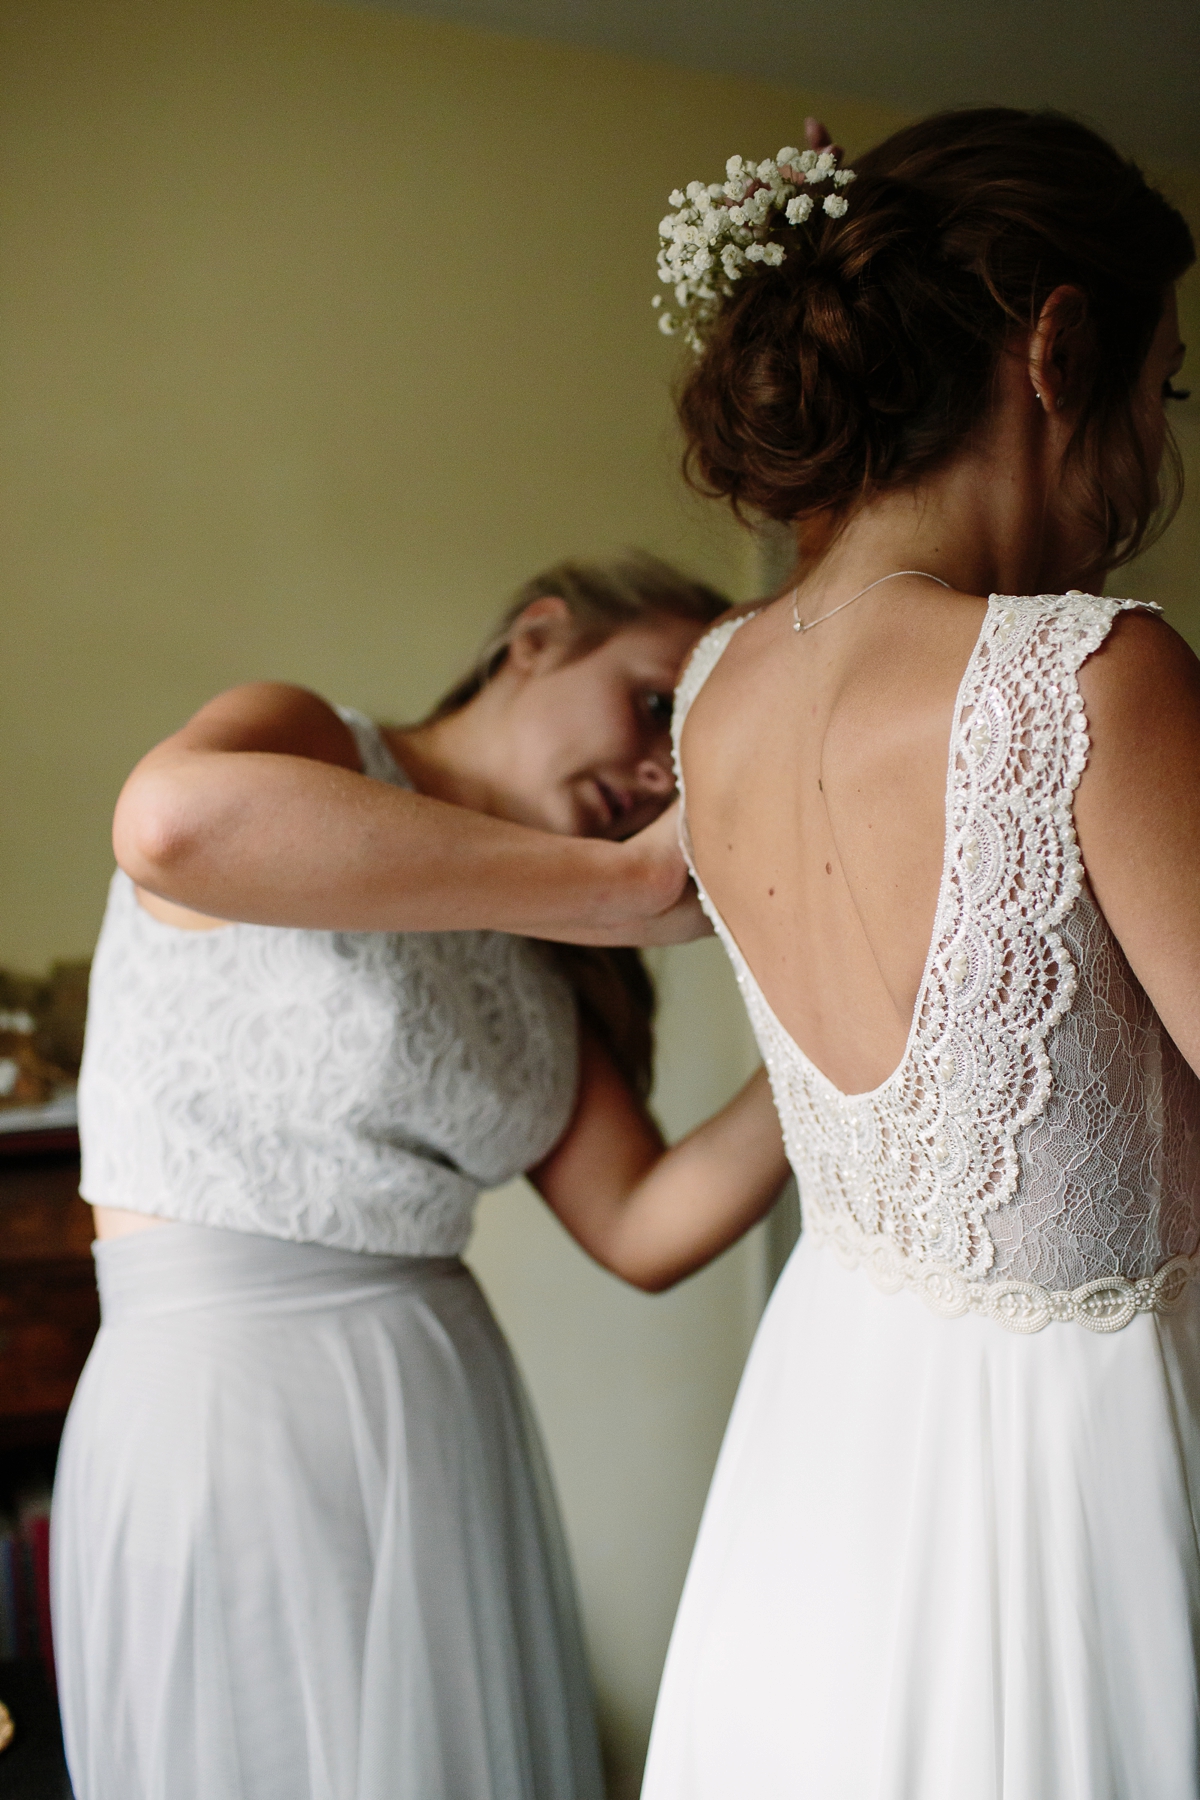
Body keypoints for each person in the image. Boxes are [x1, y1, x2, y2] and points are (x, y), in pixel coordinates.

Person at [640, 110, 1199, 1798]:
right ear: (1059, 349)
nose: (1163, 456)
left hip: (836, 1422)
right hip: (1084, 1462)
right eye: (1166, 389)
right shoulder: (1093, 672)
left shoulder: (714, 688)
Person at [53, 552, 791, 1800]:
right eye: (660, 704)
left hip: (443, 1415)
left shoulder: (553, 958)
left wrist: (872, 1030)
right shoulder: (311, 744)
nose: (666, 774)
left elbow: (643, 1224)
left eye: (692, 758)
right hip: (225, 1406)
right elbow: (170, 824)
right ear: (538, 637)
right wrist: (621, 888)